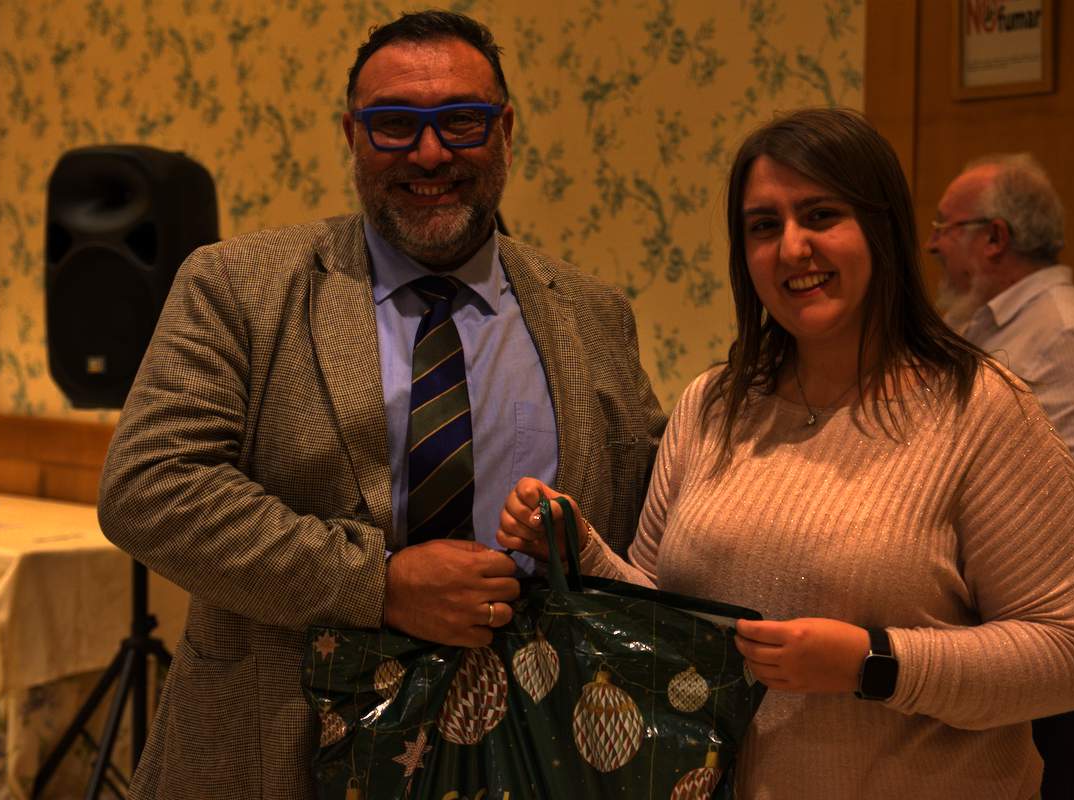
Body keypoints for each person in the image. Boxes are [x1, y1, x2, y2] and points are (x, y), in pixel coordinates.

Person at [97, 10, 665, 799]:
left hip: (533, 757)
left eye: (460, 121)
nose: (429, 153)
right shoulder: (236, 286)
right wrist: (381, 583)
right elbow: (149, 488)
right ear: (352, 135)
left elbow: (650, 517)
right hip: (279, 755)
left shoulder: (594, 316)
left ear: (505, 131)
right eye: (395, 124)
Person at [499, 108, 1074, 798]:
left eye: (820, 216)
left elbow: (1068, 657)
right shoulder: (712, 405)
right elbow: (663, 624)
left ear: (880, 228)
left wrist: (874, 662)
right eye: (764, 226)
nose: (792, 248)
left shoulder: (984, 411)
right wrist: (579, 550)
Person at [930, 154, 1074, 799]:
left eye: (944, 226)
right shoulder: (985, 323)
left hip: (1058, 621)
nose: (932, 245)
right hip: (1003, 616)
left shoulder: (1065, 334)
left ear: (994, 237)